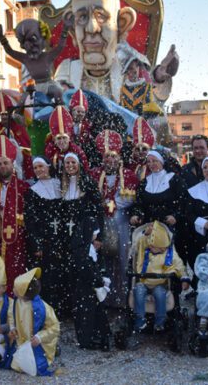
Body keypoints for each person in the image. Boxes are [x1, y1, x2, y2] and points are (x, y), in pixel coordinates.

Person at [54, 0, 178, 104]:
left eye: (101, 16)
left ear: (121, 23)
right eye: (82, 17)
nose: (91, 28)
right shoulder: (67, 69)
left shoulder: (133, 64)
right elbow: (54, 110)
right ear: (73, 28)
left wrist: (160, 75)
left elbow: (150, 105)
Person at [89, 130, 137, 307]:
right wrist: (101, 204)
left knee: (122, 259)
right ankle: (105, 297)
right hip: (101, 222)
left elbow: (130, 199)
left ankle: (122, 298)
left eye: (113, 157)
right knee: (103, 259)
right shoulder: (94, 174)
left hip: (120, 222)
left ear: (119, 157)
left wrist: (110, 202)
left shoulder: (129, 175)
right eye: (107, 157)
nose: (110, 160)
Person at [0, 16, 73, 103]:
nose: (29, 46)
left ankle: (60, 111)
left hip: (48, 85)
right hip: (33, 87)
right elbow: (10, 51)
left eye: (33, 40)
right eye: (24, 43)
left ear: (43, 39)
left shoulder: (48, 56)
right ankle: (18, 115)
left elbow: (60, 47)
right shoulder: (25, 58)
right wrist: (1, 36)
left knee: (58, 91)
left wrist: (65, 29)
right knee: (22, 102)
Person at [0, 136, 30, 295]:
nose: (3, 166)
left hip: (18, 239)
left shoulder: (24, 187)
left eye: (6, 162)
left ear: (12, 164)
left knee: (17, 272)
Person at [130, 150, 188, 262]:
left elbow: (183, 202)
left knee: (170, 259)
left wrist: (175, 216)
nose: (151, 164)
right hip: (149, 226)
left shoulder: (174, 180)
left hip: (169, 226)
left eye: (155, 161)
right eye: (149, 161)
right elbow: (139, 203)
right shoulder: (144, 182)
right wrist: (136, 214)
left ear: (162, 162)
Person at [132, 221, 188, 332]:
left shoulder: (170, 254)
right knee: (138, 290)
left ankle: (159, 322)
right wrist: (146, 233)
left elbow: (179, 265)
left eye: (153, 246)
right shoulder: (145, 249)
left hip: (160, 283)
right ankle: (140, 320)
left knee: (159, 293)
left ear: (163, 248)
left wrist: (184, 278)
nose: (150, 246)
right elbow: (140, 242)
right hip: (144, 281)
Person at [24, 156, 64, 312]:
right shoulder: (33, 191)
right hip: (45, 239)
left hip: (61, 236)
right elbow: (31, 220)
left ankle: (62, 308)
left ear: (48, 166)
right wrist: (37, 243)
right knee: (47, 275)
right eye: (35, 168)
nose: (39, 170)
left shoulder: (60, 185)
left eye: (41, 166)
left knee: (62, 272)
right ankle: (48, 309)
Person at [8, 268, 60, 377]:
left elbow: (54, 327)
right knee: (16, 364)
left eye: (16, 288)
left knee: (33, 367)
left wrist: (40, 337)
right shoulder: (16, 302)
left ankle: (54, 350)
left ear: (23, 292)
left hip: (36, 344)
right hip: (21, 342)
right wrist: (12, 327)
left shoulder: (42, 308)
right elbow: (11, 315)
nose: (13, 289)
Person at [70, 215, 110, 351]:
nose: (96, 236)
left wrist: (100, 278)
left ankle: (96, 335)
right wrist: (98, 280)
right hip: (84, 289)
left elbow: (94, 267)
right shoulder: (82, 251)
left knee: (94, 312)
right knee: (85, 314)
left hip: (90, 288)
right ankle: (87, 339)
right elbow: (87, 270)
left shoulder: (88, 249)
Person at [43, 106, 89, 175]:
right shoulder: (50, 150)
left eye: (64, 138)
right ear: (54, 140)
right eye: (59, 138)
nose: (62, 141)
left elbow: (85, 171)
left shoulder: (77, 151)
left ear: (69, 139)